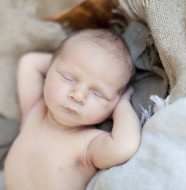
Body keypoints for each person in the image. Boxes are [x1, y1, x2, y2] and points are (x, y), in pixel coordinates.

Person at [4, 29, 141, 190]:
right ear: (48, 73)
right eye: (68, 78)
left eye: (98, 94)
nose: (78, 95)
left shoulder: (87, 144)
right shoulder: (35, 110)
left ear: (112, 107)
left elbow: (125, 146)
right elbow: (29, 62)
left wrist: (122, 104)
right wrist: (60, 60)